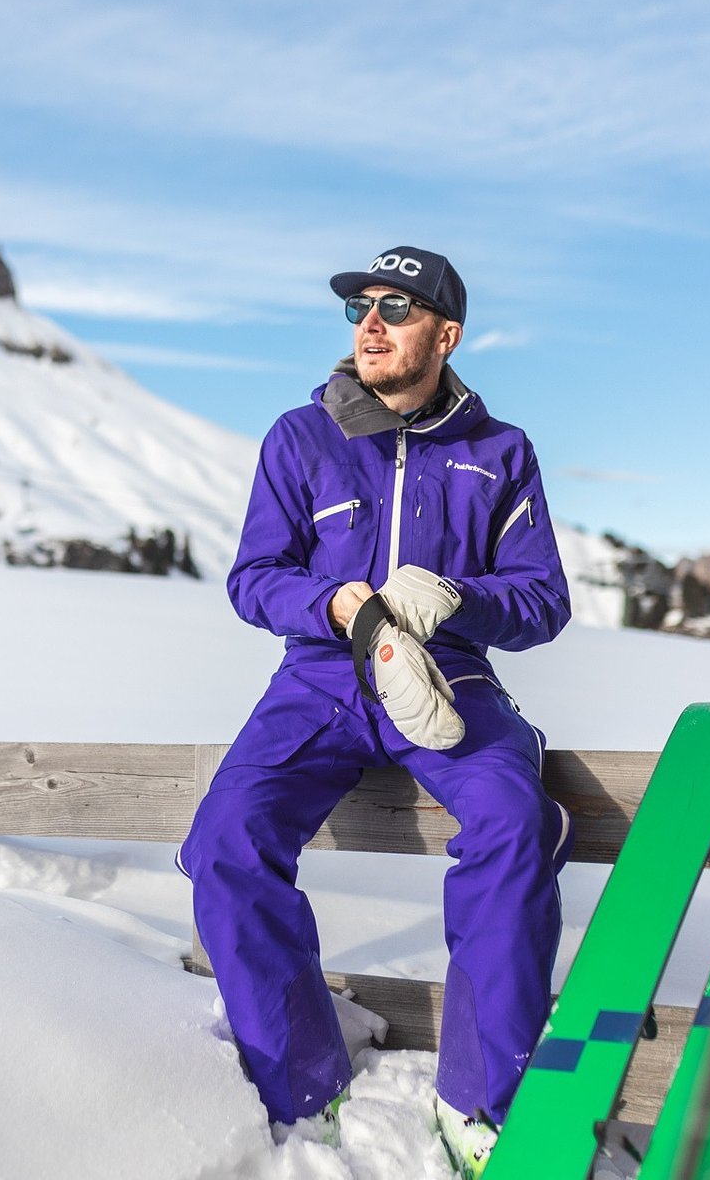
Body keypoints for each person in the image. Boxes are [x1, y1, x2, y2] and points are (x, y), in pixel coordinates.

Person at [179, 245, 573, 1165]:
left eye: (398, 307)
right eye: (360, 305)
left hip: (452, 676)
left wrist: (455, 598)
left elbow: (542, 599)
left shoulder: (499, 452)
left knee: (516, 823)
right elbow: (254, 578)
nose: (370, 321)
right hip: (320, 677)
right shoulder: (300, 436)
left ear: (446, 333)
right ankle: (301, 1082)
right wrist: (332, 604)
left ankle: (478, 1103)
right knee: (225, 841)